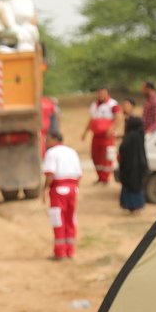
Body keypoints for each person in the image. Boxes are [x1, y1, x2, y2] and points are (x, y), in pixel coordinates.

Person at [42, 130, 83, 259]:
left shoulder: (51, 153)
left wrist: (45, 189)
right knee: (71, 219)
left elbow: (50, 174)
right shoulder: (72, 152)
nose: (46, 142)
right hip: (73, 189)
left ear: (54, 139)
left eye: (47, 140)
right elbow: (79, 174)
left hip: (58, 190)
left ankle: (60, 252)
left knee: (58, 220)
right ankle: (70, 250)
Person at [82, 87, 122, 185]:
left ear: (107, 93)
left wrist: (112, 129)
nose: (101, 95)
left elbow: (118, 117)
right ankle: (100, 177)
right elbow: (91, 119)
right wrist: (85, 132)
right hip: (96, 135)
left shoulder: (112, 104)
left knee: (106, 156)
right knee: (96, 156)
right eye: (99, 93)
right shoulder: (94, 105)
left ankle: (105, 178)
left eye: (103, 93)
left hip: (107, 136)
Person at [117, 116, 148, 214]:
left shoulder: (131, 136)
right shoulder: (140, 134)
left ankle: (132, 205)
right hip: (138, 166)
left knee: (130, 185)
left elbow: (123, 149)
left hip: (130, 167)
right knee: (136, 185)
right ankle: (137, 205)